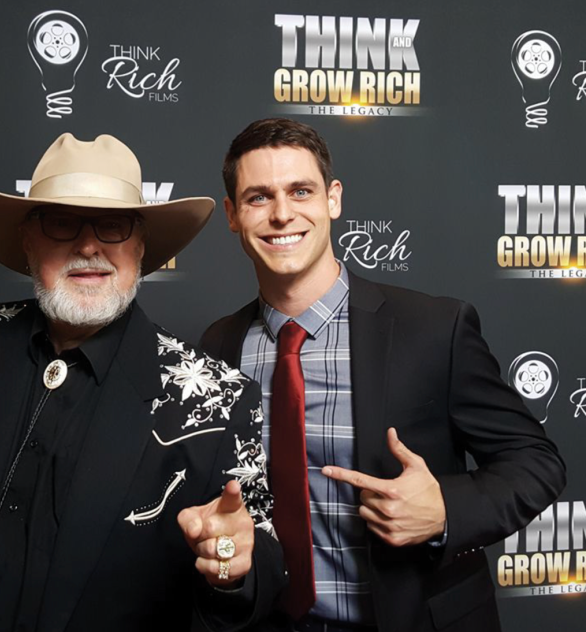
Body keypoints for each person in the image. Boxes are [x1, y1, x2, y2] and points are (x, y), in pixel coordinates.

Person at [0, 133, 285, 632]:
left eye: (112, 225)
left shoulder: (215, 397)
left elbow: (257, 554)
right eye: (62, 223)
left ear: (141, 246)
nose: (89, 245)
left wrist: (231, 568)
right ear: (28, 241)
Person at [201, 118, 566, 632]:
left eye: (300, 191)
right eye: (259, 198)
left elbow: (536, 462)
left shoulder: (434, 328)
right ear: (233, 216)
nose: (283, 214)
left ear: (333, 199)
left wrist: (445, 511)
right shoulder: (217, 346)